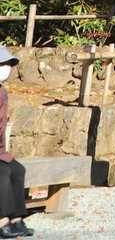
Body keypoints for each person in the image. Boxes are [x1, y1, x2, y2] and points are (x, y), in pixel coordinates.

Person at [0, 45, 33, 238]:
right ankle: (2, 221)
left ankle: (16, 218)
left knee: (18, 169)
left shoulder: (2, 91)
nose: (6, 68)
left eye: (8, 64)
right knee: (2, 172)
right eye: (2, 64)